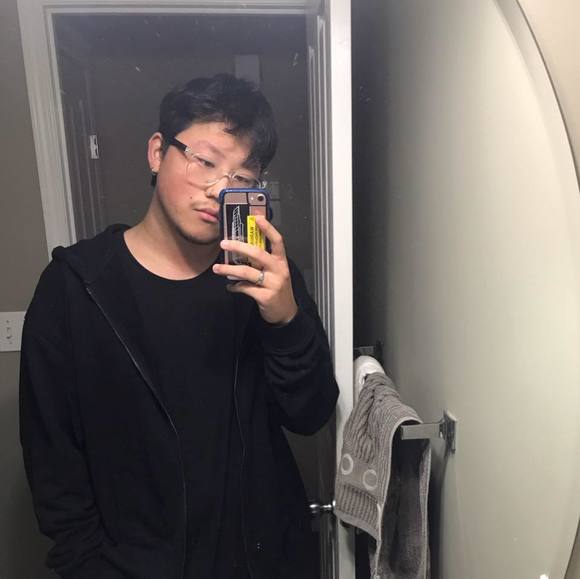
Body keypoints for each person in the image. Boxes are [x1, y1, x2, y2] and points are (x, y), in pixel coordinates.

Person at [19, 73, 339, 579]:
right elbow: (53, 462)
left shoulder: (267, 278)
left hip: (262, 561)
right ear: (157, 152)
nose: (218, 190)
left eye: (241, 178)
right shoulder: (75, 289)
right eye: (205, 162)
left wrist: (286, 321)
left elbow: (311, 414)